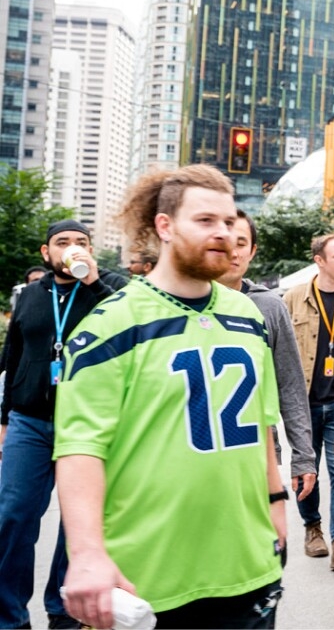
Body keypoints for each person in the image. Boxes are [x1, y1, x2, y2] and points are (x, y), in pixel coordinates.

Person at [54, 165, 284, 629]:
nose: (222, 233)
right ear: (164, 226)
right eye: (205, 221)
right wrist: (86, 554)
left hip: (248, 567)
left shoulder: (248, 316)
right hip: (147, 579)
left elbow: (261, 424)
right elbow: (80, 448)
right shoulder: (110, 325)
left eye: (228, 221)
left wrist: (277, 505)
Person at [0, 220, 126, 629]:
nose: (72, 248)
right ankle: (9, 617)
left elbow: (128, 329)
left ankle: (65, 612)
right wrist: (4, 418)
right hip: (30, 421)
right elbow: (13, 353)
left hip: (88, 425)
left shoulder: (109, 288)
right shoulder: (32, 296)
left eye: (81, 243)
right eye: (63, 243)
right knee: (13, 516)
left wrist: (91, 283)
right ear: (45, 252)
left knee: (78, 523)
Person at [218, 210, 318, 506]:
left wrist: (303, 456)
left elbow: (289, 384)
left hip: (258, 453)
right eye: (227, 243)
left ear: (252, 251)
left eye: (241, 243)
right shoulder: (182, 303)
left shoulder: (269, 305)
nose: (233, 252)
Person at [282, 234, 334, 568]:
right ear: (319, 260)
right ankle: (312, 527)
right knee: (307, 470)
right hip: (304, 403)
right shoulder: (293, 298)